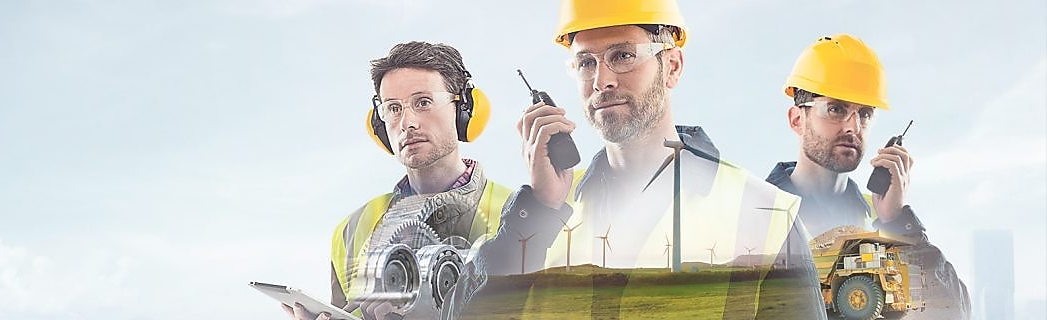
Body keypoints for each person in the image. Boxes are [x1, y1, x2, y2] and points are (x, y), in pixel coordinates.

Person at [460, 0, 828, 318]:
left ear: (672, 67)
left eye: (622, 55)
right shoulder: (546, 207)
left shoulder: (763, 214)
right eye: (586, 63)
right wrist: (538, 208)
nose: (602, 80)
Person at [282, 41, 514, 320]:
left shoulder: (521, 213)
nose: (407, 122)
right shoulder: (352, 230)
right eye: (393, 108)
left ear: (464, 109)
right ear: (379, 126)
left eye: (423, 102)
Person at [766, 33, 971, 319]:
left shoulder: (882, 218)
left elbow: (951, 313)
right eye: (836, 109)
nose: (853, 126)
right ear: (797, 119)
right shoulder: (756, 211)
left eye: (864, 113)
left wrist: (897, 220)